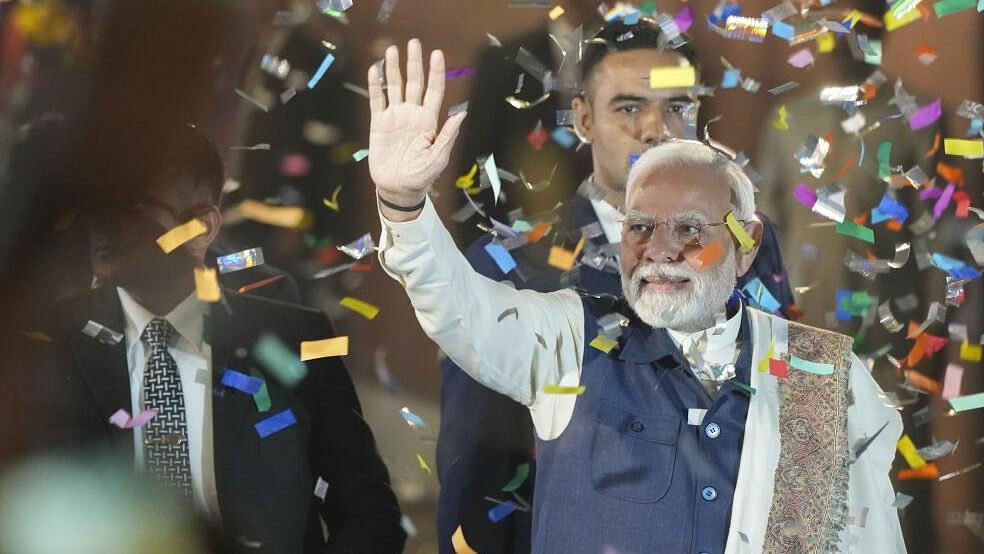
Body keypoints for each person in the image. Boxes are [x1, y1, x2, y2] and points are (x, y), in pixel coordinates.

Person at [367, 40, 904, 552]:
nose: (661, 250)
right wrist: (402, 203)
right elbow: (460, 307)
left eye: (691, 229)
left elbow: (867, 531)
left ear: (746, 246)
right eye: (641, 227)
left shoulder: (821, 374)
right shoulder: (564, 335)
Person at [435, 20, 795, 553]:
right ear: (583, 118)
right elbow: (479, 475)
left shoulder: (750, 241)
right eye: (628, 108)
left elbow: (781, 408)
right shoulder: (510, 266)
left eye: (678, 107)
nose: (657, 130)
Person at [31, 122, 406, 554]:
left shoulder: (292, 339)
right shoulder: (47, 341)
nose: (107, 225)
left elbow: (369, 514)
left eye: (134, 207)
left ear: (202, 228)